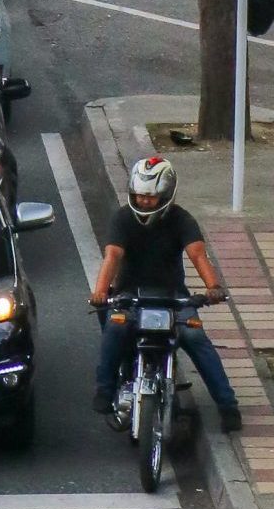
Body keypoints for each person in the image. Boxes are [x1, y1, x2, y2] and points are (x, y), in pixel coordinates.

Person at [89, 156, 239, 433]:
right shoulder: (122, 218)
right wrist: (100, 292)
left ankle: (228, 405)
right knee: (115, 328)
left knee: (195, 337)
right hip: (130, 296)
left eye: (151, 197)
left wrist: (213, 287)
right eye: (139, 196)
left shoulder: (182, 220)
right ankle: (105, 389)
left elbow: (197, 254)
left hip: (174, 297)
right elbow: (112, 255)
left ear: (167, 195)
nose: (144, 202)